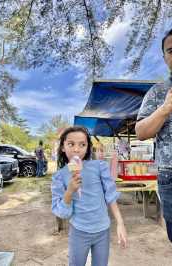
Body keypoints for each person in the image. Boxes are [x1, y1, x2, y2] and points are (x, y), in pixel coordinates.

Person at [51, 126, 127, 266]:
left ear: (87, 148)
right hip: (79, 231)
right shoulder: (59, 176)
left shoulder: (99, 166)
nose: (76, 149)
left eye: (82, 144)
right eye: (71, 144)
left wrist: (120, 223)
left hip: (103, 230)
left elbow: (110, 195)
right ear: (62, 147)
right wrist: (69, 191)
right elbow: (63, 213)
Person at [135, 29, 172, 242]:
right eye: (171, 50)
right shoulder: (158, 92)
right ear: (165, 57)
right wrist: (164, 109)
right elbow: (140, 132)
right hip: (169, 173)